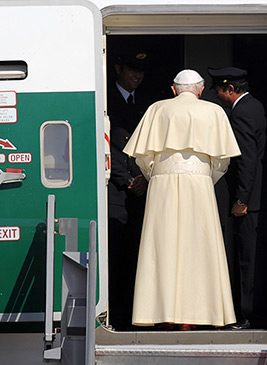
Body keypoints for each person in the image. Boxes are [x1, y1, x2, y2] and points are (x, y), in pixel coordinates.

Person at [124, 69, 240, 328]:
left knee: (161, 247)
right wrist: (203, 178)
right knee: (200, 247)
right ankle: (201, 314)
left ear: (174, 89)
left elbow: (142, 157)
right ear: (200, 90)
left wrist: (159, 174)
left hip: (162, 185)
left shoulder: (157, 109)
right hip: (200, 185)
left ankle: (159, 312)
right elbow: (223, 161)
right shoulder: (214, 111)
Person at [208, 66, 267, 330]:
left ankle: (248, 315)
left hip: (249, 201)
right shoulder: (254, 106)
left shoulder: (241, 113)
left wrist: (241, 199)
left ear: (230, 90)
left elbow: (247, 159)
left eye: (219, 92)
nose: (218, 97)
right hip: (256, 198)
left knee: (247, 259)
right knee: (253, 257)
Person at [107, 49, 150, 330]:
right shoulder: (105, 100)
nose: (137, 75)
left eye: (141, 71)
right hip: (116, 192)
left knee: (136, 258)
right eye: (132, 69)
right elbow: (108, 144)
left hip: (141, 191)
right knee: (116, 257)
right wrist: (128, 179)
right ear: (118, 69)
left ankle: (134, 317)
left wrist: (145, 177)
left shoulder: (146, 104)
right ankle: (116, 317)